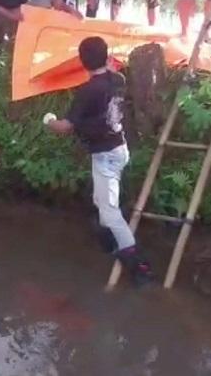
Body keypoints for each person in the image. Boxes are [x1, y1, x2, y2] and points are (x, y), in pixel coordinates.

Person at [43, 37, 154, 286]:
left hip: (105, 155)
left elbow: (65, 127)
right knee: (100, 201)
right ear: (107, 57)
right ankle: (109, 242)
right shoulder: (118, 80)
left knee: (109, 212)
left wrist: (48, 120)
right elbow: (111, 70)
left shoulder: (87, 91)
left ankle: (138, 264)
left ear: (82, 62)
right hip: (119, 148)